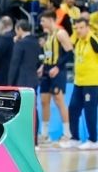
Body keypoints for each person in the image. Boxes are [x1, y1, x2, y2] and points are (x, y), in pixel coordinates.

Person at [62, 17, 98, 148]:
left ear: (88, 27)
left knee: (90, 111)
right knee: (73, 109)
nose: (79, 30)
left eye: (81, 27)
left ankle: (93, 140)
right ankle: (75, 138)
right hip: (79, 82)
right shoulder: (78, 41)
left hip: (92, 83)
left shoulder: (93, 40)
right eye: (76, 28)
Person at [39, 13, 71, 144]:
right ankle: (45, 134)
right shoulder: (48, 36)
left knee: (59, 100)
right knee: (44, 101)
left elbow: (69, 52)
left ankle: (67, 133)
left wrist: (57, 67)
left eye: (43, 20)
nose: (41, 23)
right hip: (47, 71)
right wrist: (43, 66)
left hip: (58, 71)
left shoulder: (60, 33)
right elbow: (49, 54)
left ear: (51, 20)